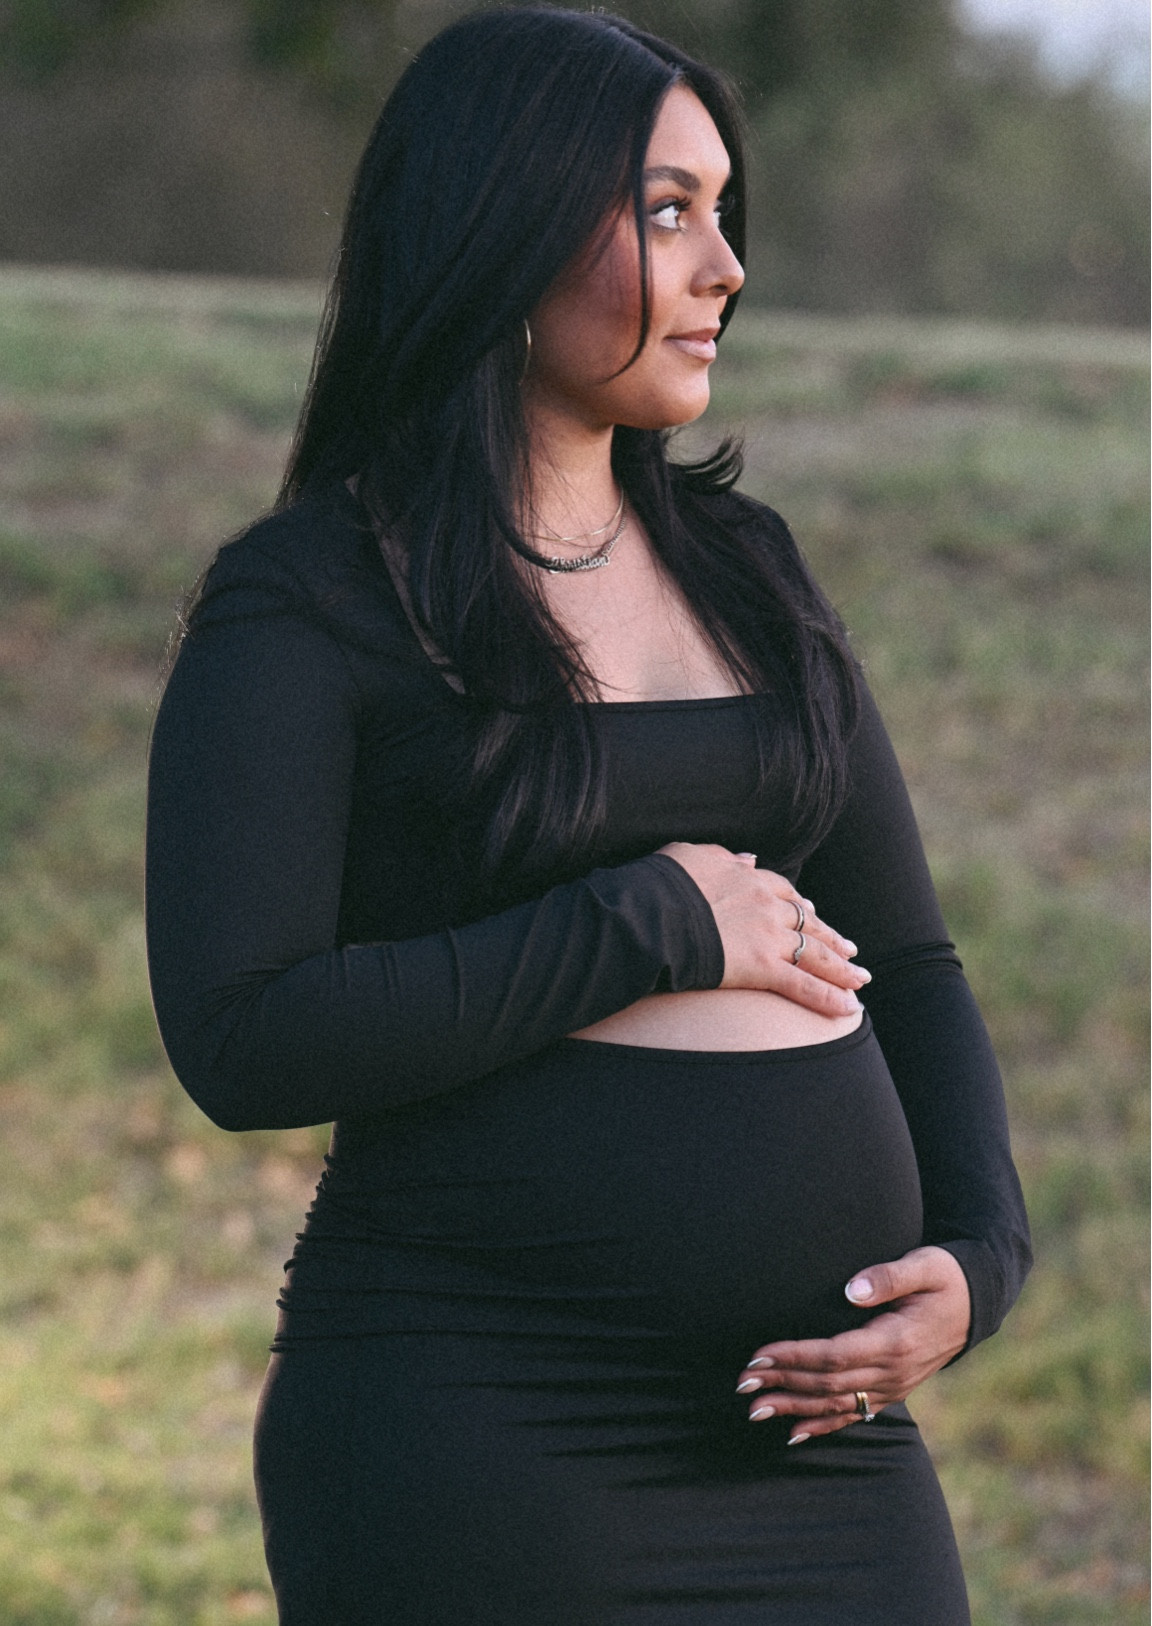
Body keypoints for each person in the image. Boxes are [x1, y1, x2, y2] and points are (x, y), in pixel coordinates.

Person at [145, 8, 1031, 1622]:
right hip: (482, 1429)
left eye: (725, 209)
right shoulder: (316, 598)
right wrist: (639, 924)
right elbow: (242, 1031)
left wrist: (981, 1257)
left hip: (821, 1453)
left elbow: (910, 953)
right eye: (669, 209)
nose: (727, 268)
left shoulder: (749, 573)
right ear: (505, 224)